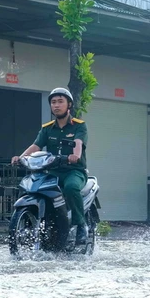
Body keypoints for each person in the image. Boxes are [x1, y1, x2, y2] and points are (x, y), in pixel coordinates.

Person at [12, 88, 90, 246]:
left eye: (60, 101)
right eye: (53, 102)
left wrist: (75, 155)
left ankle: (81, 225)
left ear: (69, 105)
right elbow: (36, 145)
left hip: (74, 171)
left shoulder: (79, 126)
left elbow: (78, 143)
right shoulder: (47, 128)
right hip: (53, 172)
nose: (56, 105)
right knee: (34, 187)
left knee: (71, 188)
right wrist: (20, 158)